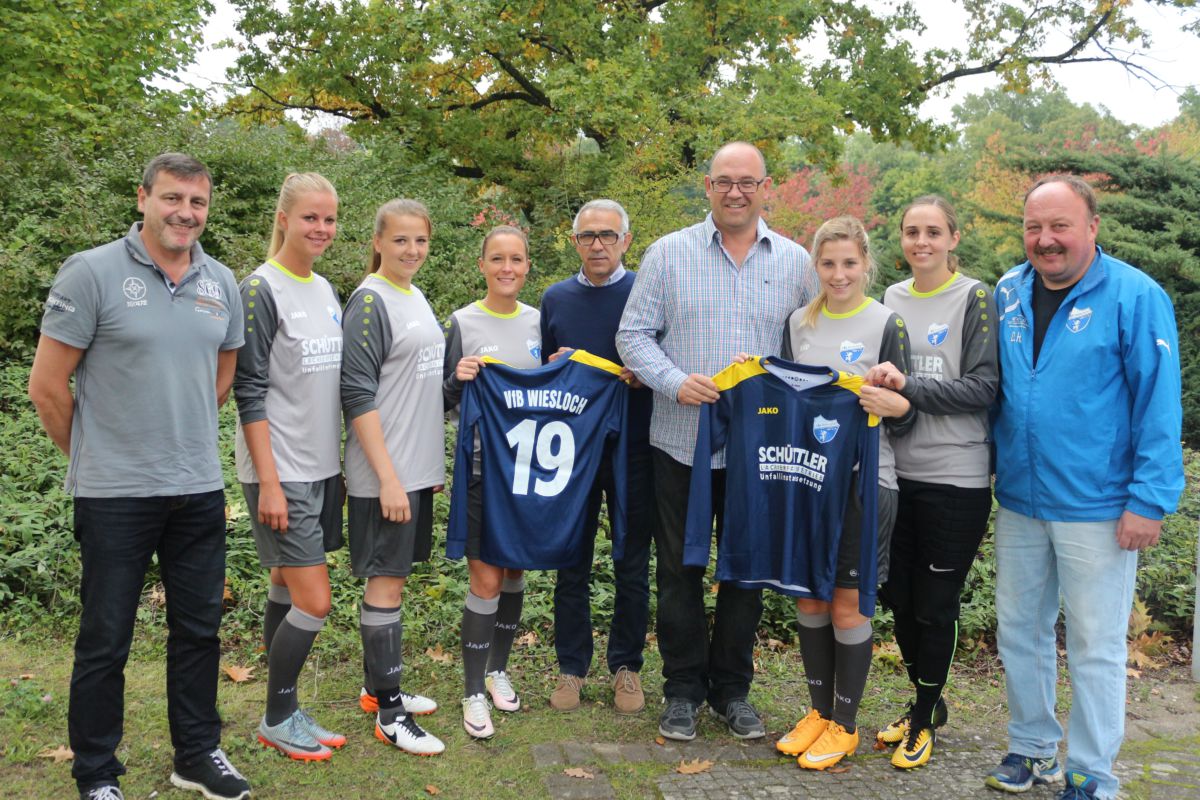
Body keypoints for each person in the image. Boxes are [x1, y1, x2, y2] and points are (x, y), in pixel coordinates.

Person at [27, 153, 251, 800]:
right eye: (173, 198)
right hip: (113, 494)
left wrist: (175, 433)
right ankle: (96, 772)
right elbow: (47, 386)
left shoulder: (220, 283)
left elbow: (222, 373)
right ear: (143, 198)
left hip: (198, 489)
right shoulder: (92, 272)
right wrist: (98, 454)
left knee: (199, 631)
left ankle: (197, 754)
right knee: (106, 637)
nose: (186, 213)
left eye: (198, 202)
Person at [985, 176, 1184, 800]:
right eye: (1034, 227)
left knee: (1096, 646)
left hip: (1098, 507)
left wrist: (1148, 500)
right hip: (1020, 498)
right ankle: (1032, 748)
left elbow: (1158, 404)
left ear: (1092, 227)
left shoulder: (1135, 296)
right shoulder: (1008, 292)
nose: (1046, 240)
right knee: (1019, 631)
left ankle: (1092, 773)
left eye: (1060, 226)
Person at [616, 141, 817, 741]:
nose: (735, 192)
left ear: (765, 186)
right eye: (724, 181)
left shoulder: (796, 263)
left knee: (744, 571)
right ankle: (681, 691)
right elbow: (633, 336)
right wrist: (676, 383)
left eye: (747, 182)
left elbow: (811, 351)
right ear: (707, 186)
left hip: (761, 448)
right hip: (680, 440)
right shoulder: (667, 254)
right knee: (679, 569)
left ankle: (732, 690)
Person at [771, 216, 914, 769]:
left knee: (848, 605)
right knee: (810, 597)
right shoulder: (796, 323)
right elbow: (785, 399)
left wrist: (886, 401)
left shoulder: (885, 323)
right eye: (828, 264)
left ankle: (847, 724)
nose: (838, 274)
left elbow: (904, 411)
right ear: (815, 267)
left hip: (865, 483)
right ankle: (818, 712)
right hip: (805, 478)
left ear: (866, 264)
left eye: (849, 263)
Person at [865, 196, 998, 770]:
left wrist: (908, 388)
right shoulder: (890, 300)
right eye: (912, 232)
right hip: (898, 474)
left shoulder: (975, 297)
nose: (922, 242)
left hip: (956, 477)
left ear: (953, 238)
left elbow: (982, 388)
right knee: (899, 597)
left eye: (934, 232)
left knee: (935, 606)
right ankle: (930, 702)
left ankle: (923, 717)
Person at [233, 172, 345, 762]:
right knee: (315, 600)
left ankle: (286, 703)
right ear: (283, 218)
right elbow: (248, 392)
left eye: (329, 218)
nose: (321, 229)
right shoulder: (259, 288)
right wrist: (269, 482)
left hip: (323, 470)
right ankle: (277, 716)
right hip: (281, 472)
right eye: (310, 217)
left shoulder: (325, 290)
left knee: (284, 583)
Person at [540, 200, 655, 715]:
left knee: (631, 560)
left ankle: (626, 667)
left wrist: (642, 372)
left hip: (635, 447)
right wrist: (550, 368)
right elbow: (544, 374)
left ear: (627, 240)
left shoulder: (647, 293)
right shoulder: (555, 299)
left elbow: (664, 361)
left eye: (608, 235)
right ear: (574, 242)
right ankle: (571, 667)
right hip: (573, 450)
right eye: (587, 236)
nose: (598, 245)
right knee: (572, 560)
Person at [341, 199, 446, 756]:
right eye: (401, 241)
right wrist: (386, 477)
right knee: (385, 583)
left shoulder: (415, 295)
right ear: (378, 241)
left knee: (394, 580)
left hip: (414, 470)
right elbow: (356, 394)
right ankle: (389, 713)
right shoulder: (368, 300)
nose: (411, 251)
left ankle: (375, 686)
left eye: (420, 241)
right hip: (385, 474)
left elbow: (419, 387)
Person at [443, 225, 541, 739]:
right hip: (481, 471)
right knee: (484, 581)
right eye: (497, 258)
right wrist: (455, 379)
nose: (507, 267)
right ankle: (472, 690)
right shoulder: (460, 322)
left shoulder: (540, 324)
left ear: (528, 267)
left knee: (515, 576)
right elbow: (438, 400)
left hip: (530, 475)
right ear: (481, 264)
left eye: (517, 259)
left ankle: (499, 669)